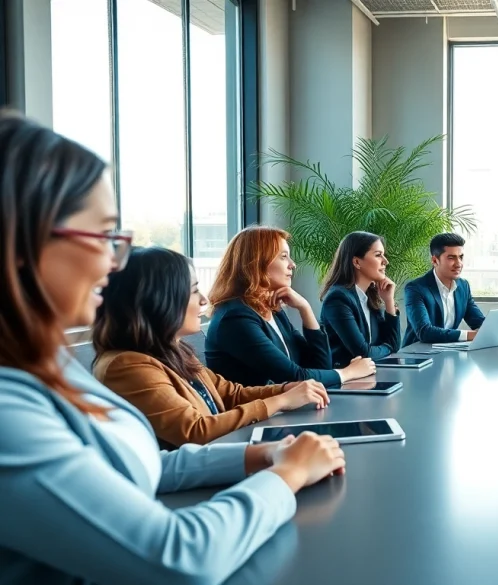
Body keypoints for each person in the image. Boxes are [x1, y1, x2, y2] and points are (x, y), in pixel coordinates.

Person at [0, 111, 346, 584]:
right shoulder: (11, 411)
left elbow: (133, 466)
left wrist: (259, 456)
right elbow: (180, 557)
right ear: (20, 243)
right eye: (101, 236)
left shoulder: (51, 364)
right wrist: (286, 476)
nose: (113, 262)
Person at [92, 246, 332, 448]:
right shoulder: (126, 366)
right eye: (194, 290)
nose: (204, 300)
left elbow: (230, 394)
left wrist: (287, 389)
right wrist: (281, 401)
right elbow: (195, 431)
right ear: (157, 300)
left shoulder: (173, 351)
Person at [204, 226, 375, 387]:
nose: (292, 264)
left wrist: (305, 309)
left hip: (290, 406)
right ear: (256, 262)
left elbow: (320, 366)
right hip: (260, 409)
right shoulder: (235, 318)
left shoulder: (272, 310)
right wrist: (348, 373)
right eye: (284, 256)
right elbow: (293, 377)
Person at [320, 231, 402, 366]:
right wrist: (389, 347)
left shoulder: (369, 296)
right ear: (357, 262)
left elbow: (394, 344)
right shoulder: (338, 299)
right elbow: (363, 353)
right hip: (346, 377)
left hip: (372, 373)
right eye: (378, 255)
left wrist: (389, 301)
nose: (385, 261)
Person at [402, 233, 485, 346]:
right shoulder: (416, 289)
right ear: (435, 260)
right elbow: (424, 332)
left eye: (461, 257)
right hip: (418, 353)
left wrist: (491, 330)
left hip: (448, 351)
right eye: (451, 258)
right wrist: (470, 335)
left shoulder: (463, 286)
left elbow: (479, 322)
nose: (458, 264)